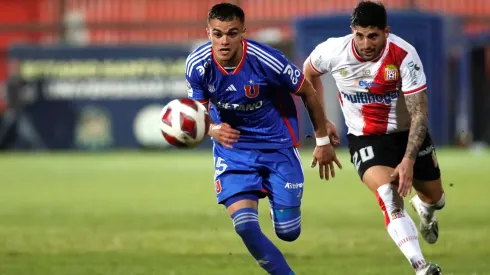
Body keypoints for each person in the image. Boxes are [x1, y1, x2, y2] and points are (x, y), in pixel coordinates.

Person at [185, 3, 341, 274]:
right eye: (217, 33)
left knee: (289, 232)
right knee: (245, 225)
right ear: (208, 32)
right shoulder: (198, 65)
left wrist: (322, 141)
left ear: (243, 31)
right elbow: (199, 114)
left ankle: (275, 200)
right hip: (233, 150)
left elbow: (307, 91)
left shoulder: (267, 59)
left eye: (232, 33)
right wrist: (211, 129)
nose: (224, 41)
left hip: (276, 147)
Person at [303, 1, 445, 274]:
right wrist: (323, 122)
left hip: (407, 136)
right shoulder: (332, 51)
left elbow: (419, 114)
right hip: (365, 139)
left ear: (386, 32)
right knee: (388, 197)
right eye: (359, 35)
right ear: (352, 31)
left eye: (373, 36)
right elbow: (308, 75)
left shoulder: (404, 55)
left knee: (436, 198)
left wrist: (408, 160)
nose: (365, 43)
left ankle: (426, 209)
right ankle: (421, 266)